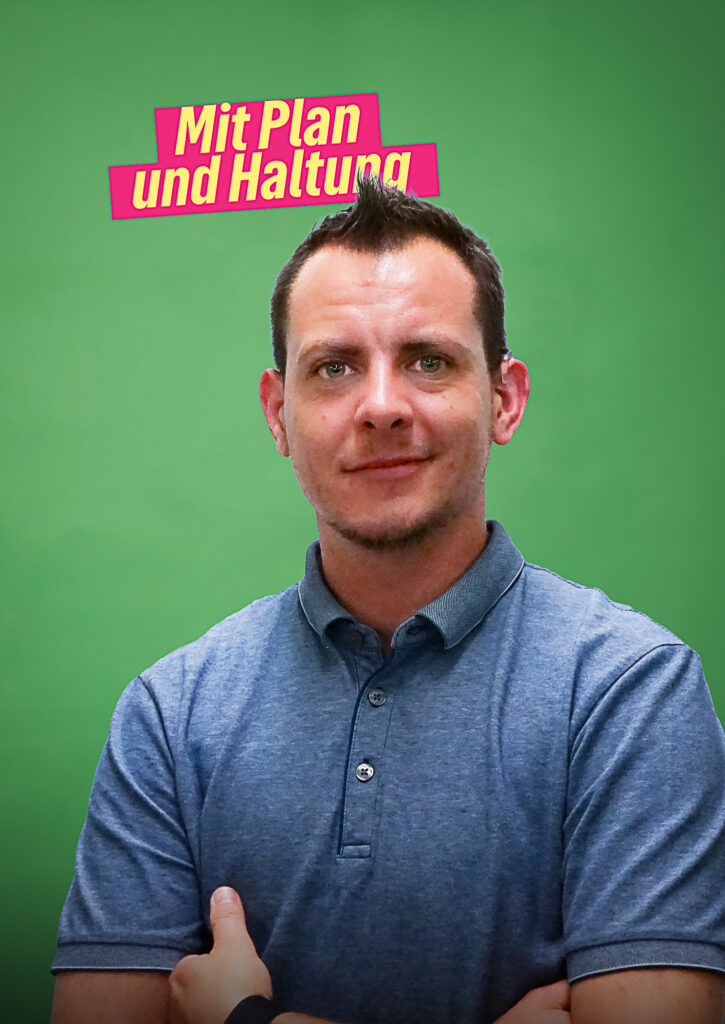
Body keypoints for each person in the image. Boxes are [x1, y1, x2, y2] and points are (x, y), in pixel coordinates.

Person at [51, 177, 725, 1024]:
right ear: (278, 414)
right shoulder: (169, 715)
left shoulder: (632, 690)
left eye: (427, 361)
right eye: (333, 368)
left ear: (504, 398)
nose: (379, 407)